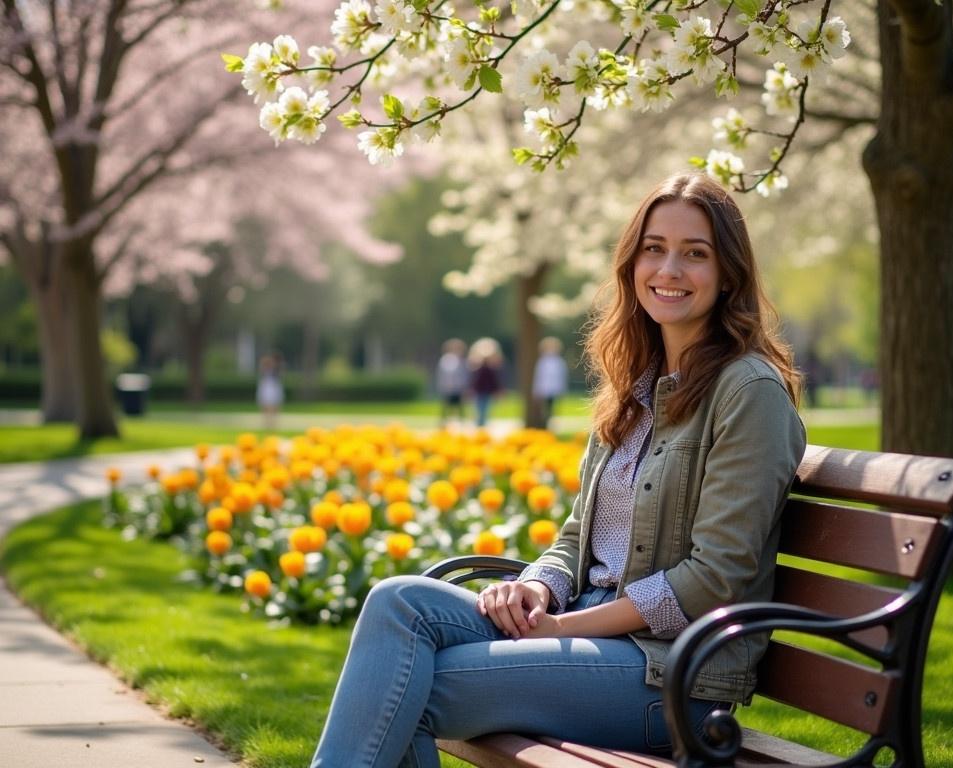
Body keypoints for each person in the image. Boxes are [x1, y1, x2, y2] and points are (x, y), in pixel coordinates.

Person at [309, 172, 806, 767]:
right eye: (655, 249)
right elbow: (577, 536)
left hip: (671, 676)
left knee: (413, 685)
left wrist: (570, 629)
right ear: (632, 264)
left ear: (728, 276)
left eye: (694, 254)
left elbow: (714, 577)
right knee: (399, 603)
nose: (669, 269)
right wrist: (538, 586)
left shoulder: (748, 392)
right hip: (589, 634)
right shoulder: (637, 389)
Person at [532, 336, 570, 430]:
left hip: (554, 389)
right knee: (544, 409)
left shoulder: (559, 362)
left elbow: (561, 377)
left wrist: (562, 390)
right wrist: (536, 390)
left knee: (551, 409)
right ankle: (543, 425)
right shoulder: (542, 361)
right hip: (544, 389)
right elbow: (539, 377)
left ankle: (549, 425)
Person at [467, 337, 503, 427]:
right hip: (479, 391)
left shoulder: (491, 369)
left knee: (484, 409)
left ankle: (481, 424)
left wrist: (497, 391)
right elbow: (473, 381)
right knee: (480, 409)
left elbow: (494, 382)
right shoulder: (477, 369)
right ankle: (480, 424)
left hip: (486, 391)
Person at [435, 338, 469, 426]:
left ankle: (461, 423)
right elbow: (445, 375)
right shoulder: (446, 360)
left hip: (459, 388)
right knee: (446, 408)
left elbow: (464, 375)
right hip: (449, 388)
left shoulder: (462, 360)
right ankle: (443, 424)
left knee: (460, 408)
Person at [256, 353, 284, 431]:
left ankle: (272, 423)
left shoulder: (276, 371)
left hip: (273, 388)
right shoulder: (265, 372)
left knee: (274, 406)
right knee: (266, 405)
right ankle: (267, 423)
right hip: (267, 388)